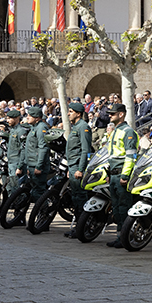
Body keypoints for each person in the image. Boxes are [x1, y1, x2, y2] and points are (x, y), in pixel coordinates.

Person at [105, 103, 138, 249]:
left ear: (121, 114)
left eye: (112, 114)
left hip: (121, 174)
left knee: (124, 207)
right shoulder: (115, 131)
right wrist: (108, 172)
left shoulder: (128, 131)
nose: (110, 116)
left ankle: (126, 237)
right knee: (117, 208)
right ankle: (119, 236)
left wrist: (125, 175)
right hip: (113, 174)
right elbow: (111, 154)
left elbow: (130, 156)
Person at [64, 102, 93, 238]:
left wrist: (80, 168)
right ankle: (78, 227)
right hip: (73, 165)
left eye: (71, 111)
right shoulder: (76, 127)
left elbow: (85, 150)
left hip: (77, 166)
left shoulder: (83, 127)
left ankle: (82, 227)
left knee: (80, 198)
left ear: (78, 113)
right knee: (75, 198)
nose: (69, 113)